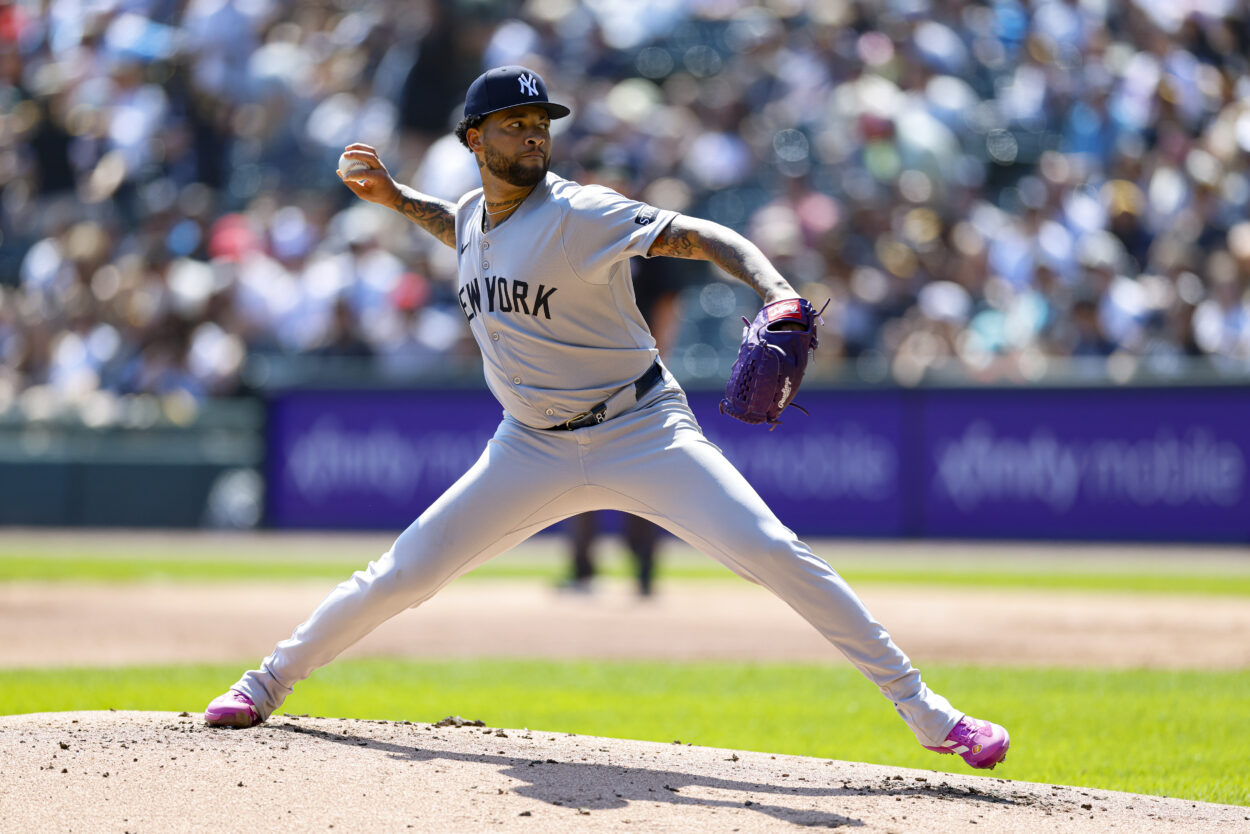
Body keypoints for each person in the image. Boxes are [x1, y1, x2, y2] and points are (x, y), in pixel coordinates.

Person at [204, 65, 1010, 770]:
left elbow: (700, 236)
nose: (531, 136)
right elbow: (462, 230)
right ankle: (265, 682)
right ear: (474, 141)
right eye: (513, 125)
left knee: (774, 551)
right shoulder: (474, 213)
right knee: (405, 572)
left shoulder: (582, 211)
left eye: (538, 124)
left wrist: (776, 291)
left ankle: (926, 711)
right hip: (528, 448)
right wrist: (394, 199)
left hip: (641, 429)